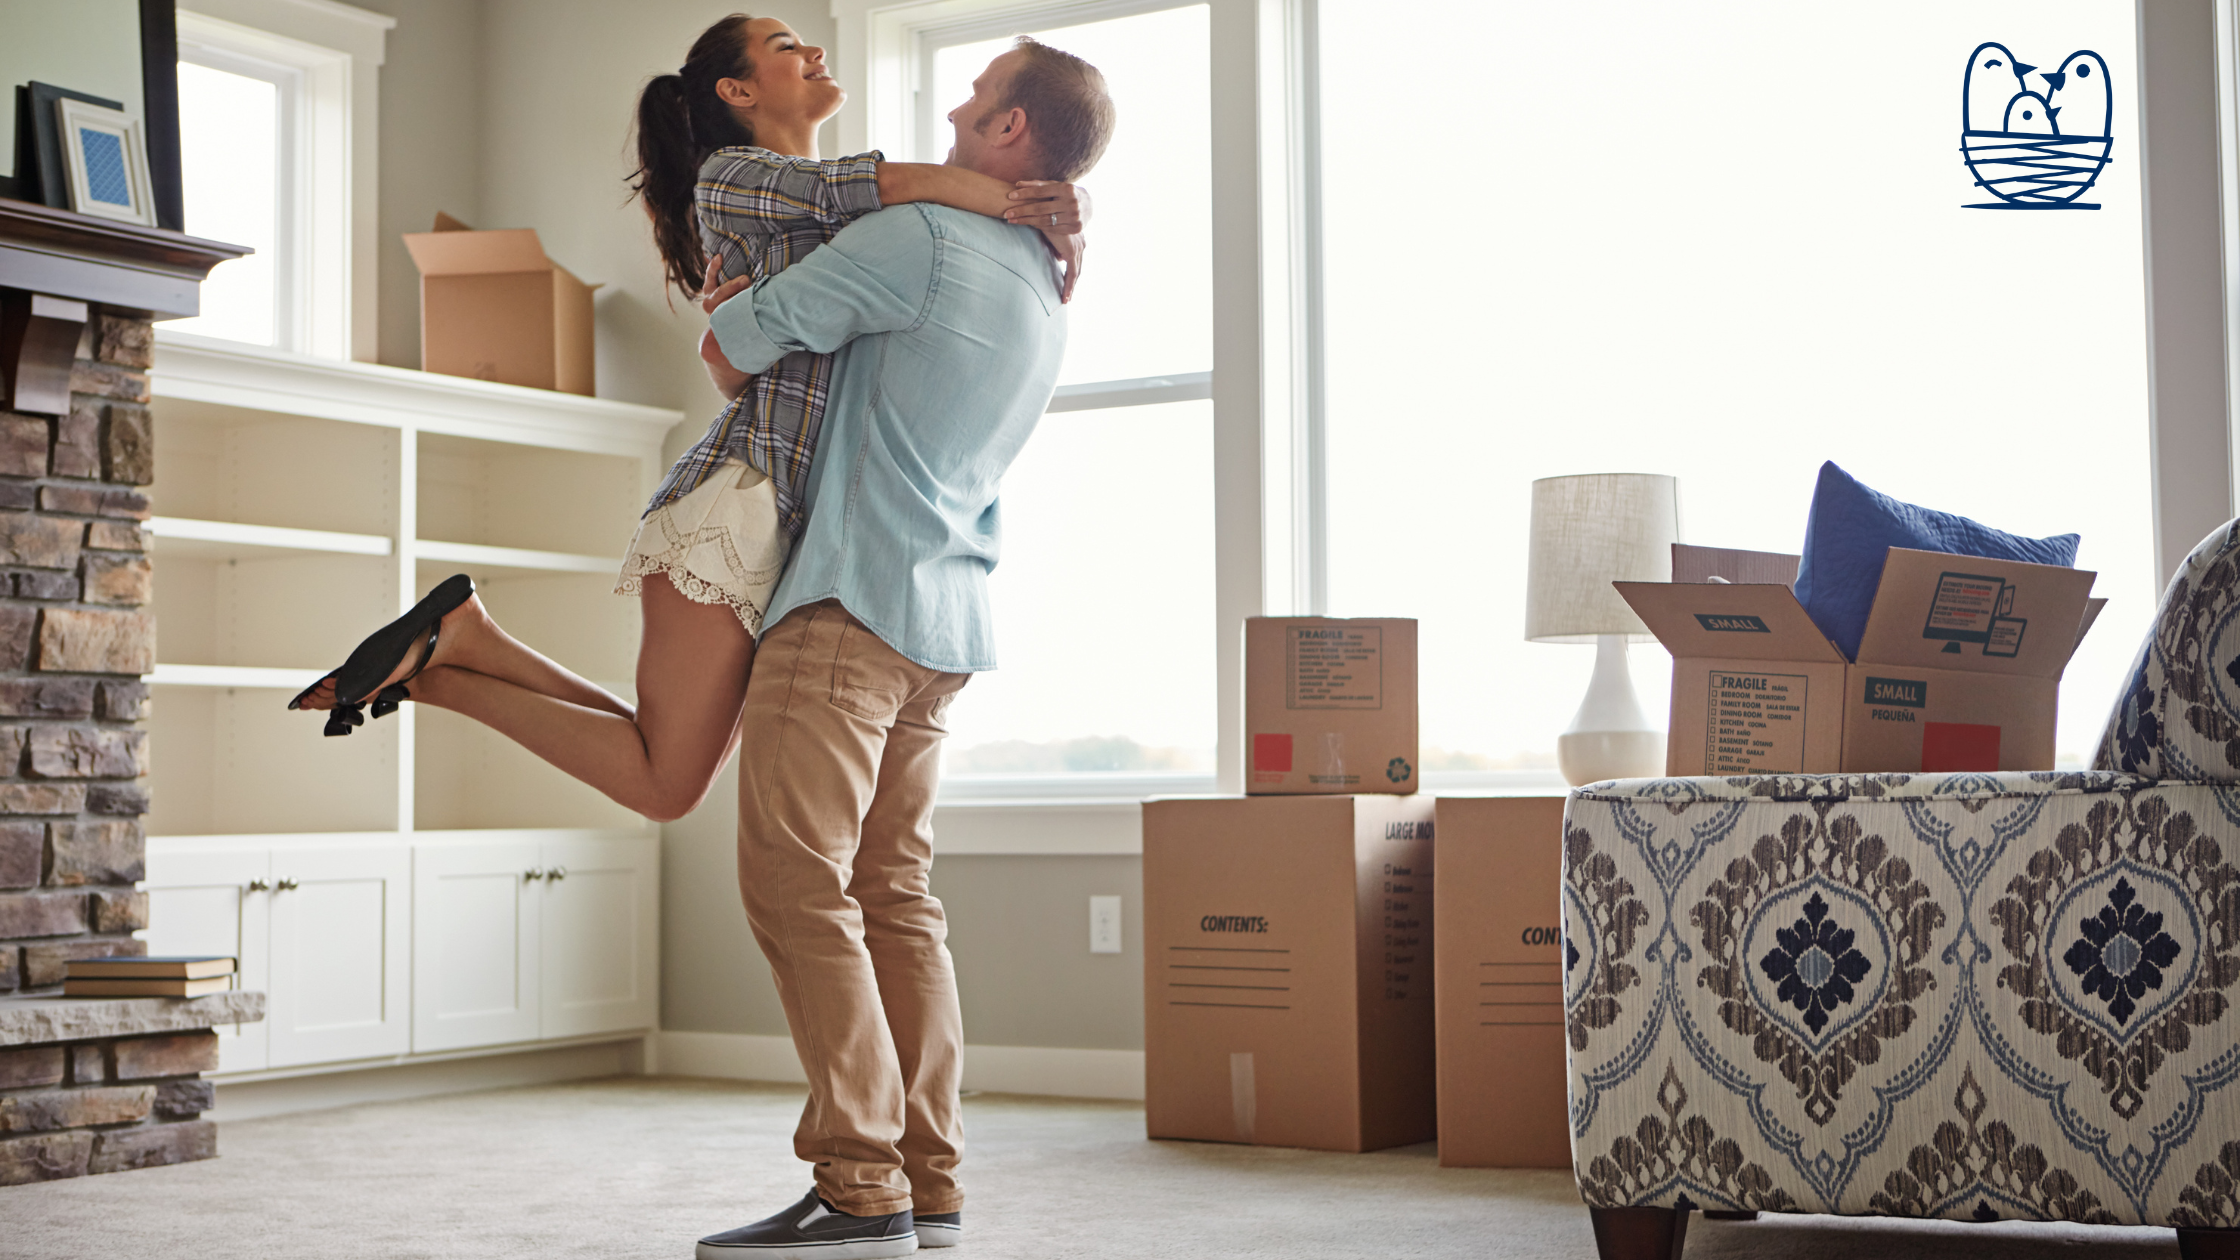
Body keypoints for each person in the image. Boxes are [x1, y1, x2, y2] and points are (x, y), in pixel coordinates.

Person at [287, 14, 1088, 831]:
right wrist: (1022, 200)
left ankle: (462, 645)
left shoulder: (861, 223)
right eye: (786, 49)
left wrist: (1067, 204)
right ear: (736, 92)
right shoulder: (735, 176)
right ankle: (441, 671)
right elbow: (872, 189)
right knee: (667, 784)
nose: (814, 52)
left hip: (780, 521)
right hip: (736, 505)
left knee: (664, 759)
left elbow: (770, 340)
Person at [682, 37, 1113, 1260]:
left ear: (1016, 131)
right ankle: (927, 1180)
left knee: (794, 884)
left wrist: (730, 311)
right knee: (895, 897)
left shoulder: (917, 241)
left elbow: (733, 348)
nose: (958, 106)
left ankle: (859, 1185)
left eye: (980, 97)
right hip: (942, 622)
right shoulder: (1041, 277)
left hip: (846, 605)